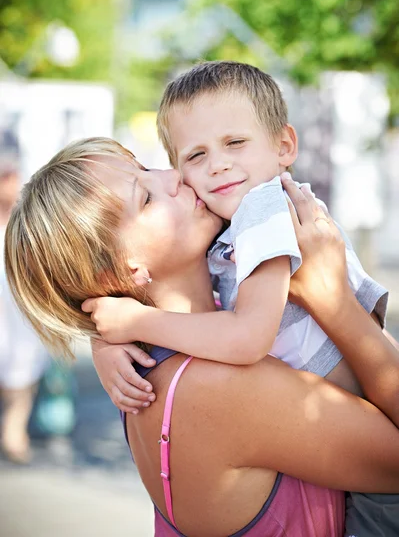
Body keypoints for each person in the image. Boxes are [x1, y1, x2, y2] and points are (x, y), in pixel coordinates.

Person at [4, 137, 399, 537]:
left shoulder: (150, 355)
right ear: (122, 272)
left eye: (145, 168)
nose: (173, 176)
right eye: (146, 198)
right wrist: (333, 300)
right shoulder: (220, 385)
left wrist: (106, 337)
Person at [83, 63, 396, 535]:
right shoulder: (227, 220)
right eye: (195, 155)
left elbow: (247, 337)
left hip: (371, 463)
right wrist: (104, 343)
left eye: (235, 143)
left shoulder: (265, 209)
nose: (218, 164)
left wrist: (134, 323)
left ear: (284, 146)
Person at [0, 154, 49, 463]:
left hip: (22, 311)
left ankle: (14, 432)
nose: (11, 183)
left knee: (24, 369)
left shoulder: (27, 219)